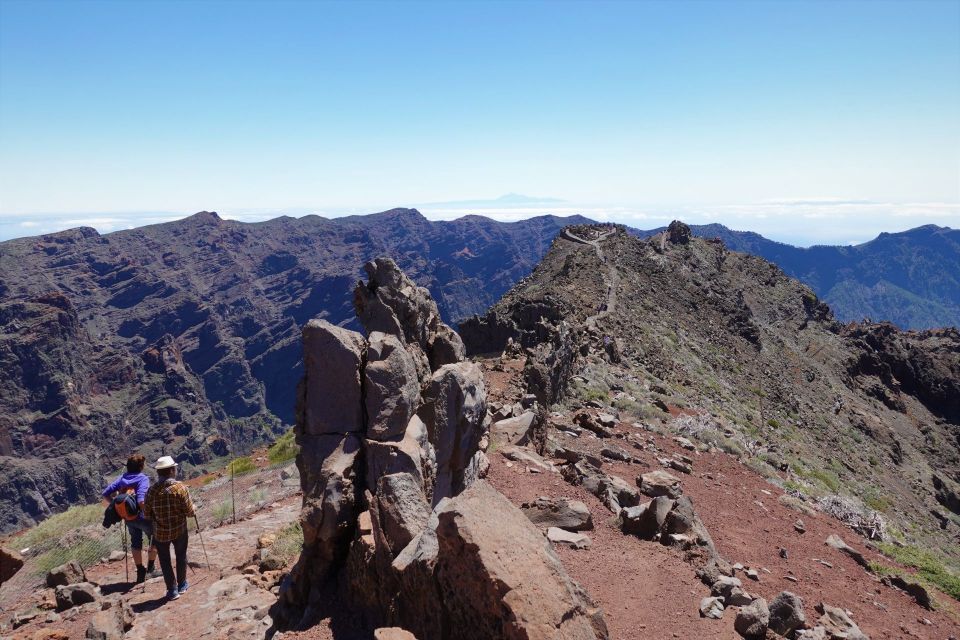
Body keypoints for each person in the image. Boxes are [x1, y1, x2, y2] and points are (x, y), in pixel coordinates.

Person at [144, 456, 196, 601]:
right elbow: (190, 513)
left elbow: (147, 515)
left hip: (160, 533)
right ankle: (182, 584)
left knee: (165, 560)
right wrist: (194, 507)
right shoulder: (180, 488)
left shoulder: (151, 491)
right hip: (179, 530)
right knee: (181, 555)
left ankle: (172, 590)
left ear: (159, 472)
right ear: (172, 470)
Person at [102, 453, 158, 584]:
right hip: (143, 517)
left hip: (129, 518)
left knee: (135, 543)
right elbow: (141, 500)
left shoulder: (122, 478)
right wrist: (149, 514)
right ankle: (150, 569)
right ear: (141, 466)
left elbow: (105, 494)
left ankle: (140, 571)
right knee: (154, 540)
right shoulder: (142, 479)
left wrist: (115, 506)